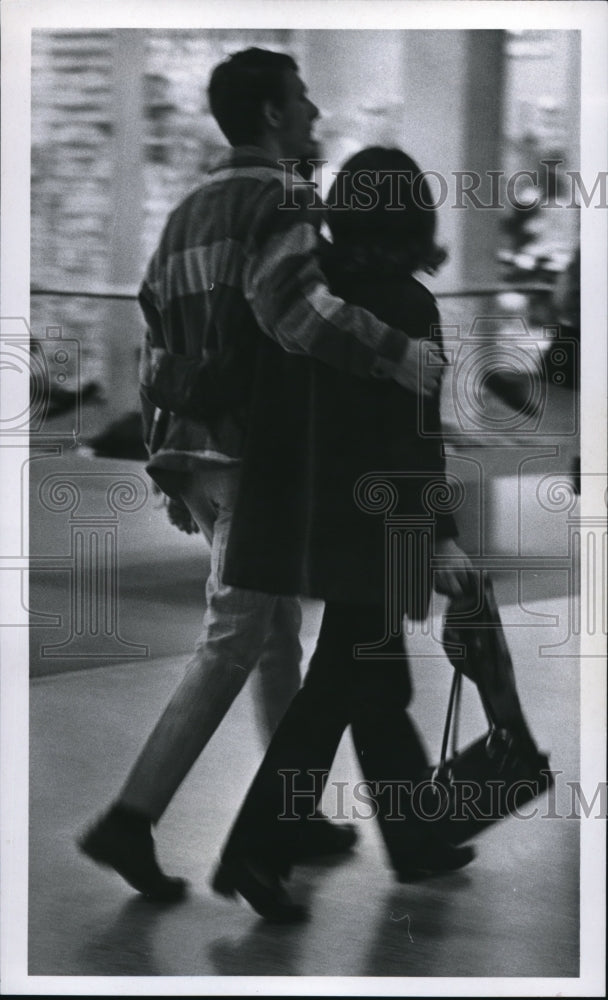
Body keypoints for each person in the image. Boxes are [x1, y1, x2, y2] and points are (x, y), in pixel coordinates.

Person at [78, 49, 443, 902]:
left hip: (196, 451)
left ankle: (293, 813)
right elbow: (295, 315)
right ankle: (131, 819)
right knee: (236, 637)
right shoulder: (277, 199)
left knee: (273, 630)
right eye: (305, 102)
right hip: (246, 455)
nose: (316, 116)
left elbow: (155, 339)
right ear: (275, 116)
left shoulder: (187, 211)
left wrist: (170, 461)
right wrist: (397, 357)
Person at [203, 146, 477, 923]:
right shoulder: (406, 306)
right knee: (335, 690)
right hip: (378, 529)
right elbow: (413, 440)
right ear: (414, 212)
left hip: (304, 518)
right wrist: (442, 538)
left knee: (375, 679)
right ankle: (257, 848)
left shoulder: (309, 301)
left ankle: (416, 836)